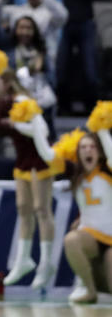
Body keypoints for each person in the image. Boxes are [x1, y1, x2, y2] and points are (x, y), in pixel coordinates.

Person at [0, 74, 62, 289]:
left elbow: (43, 130)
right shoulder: (2, 103)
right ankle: (23, 259)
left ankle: (46, 263)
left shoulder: (22, 101)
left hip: (40, 157)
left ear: (6, 81)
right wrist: (13, 124)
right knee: (23, 208)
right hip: (22, 158)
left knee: (42, 209)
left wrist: (16, 125)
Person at [64, 130, 112, 304]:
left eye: (92, 147)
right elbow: (47, 156)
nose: (88, 151)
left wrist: (102, 130)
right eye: (83, 147)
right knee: (71, 239)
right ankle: (88, 290)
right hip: (90, 236)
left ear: (100, 151)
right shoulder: (77, 176)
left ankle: (96, 285)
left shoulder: (108, 171)